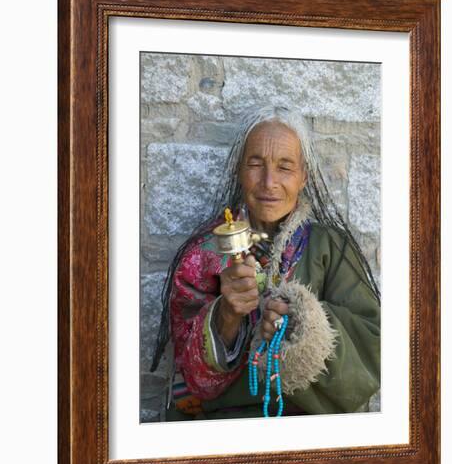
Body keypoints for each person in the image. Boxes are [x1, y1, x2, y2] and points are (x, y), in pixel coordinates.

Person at [150, 106, 380, 421]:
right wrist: (226, 316)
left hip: (310, 427)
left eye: (285, 167)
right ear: (239, 171)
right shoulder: (202, 255)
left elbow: (374, 346)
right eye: (256, 164)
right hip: (222, 427)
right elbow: (188, 373)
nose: (269, 182)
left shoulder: (331, 248)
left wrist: (302, 322)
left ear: (303, 177)